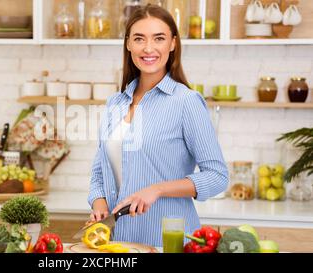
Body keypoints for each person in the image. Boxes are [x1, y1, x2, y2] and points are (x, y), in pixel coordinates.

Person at [87, 4, 229, 247]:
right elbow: (100, 169)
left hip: (166, 241)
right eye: (139, 38)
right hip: (116, 241)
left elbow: (217, 176)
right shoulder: (115, 103)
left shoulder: (186, 102)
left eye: (159, 38)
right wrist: (99, 204)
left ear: (173, 44)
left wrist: (158, 189)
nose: (148, 48)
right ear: (128, 44)